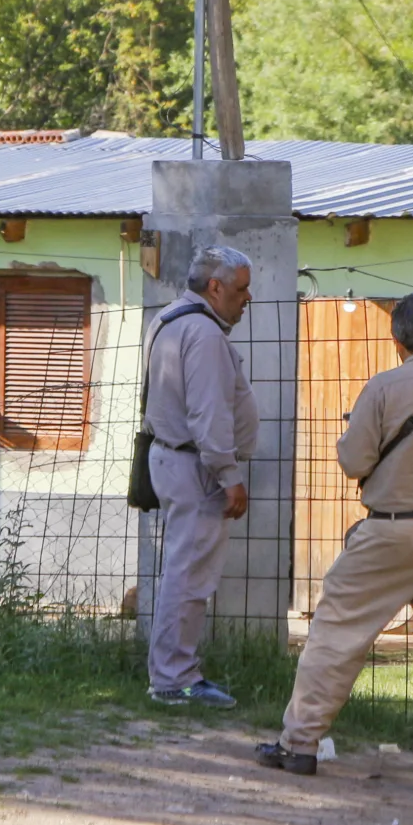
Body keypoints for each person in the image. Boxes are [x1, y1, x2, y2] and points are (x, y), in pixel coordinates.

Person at [259, 293, 413, 800]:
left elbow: (354, 462)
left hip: (391, 529)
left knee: (336, 634)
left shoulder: (382, 387)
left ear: (396, 340)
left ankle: (301, 742)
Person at [142, 244, 258, 708]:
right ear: (216, 287)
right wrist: (229, 474)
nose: (247, 298)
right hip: (197, 467)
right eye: (242, 289)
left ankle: (172, 673)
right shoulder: (205, 334)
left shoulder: (169, 318)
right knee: (189, 577)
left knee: (182, 572)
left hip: (177, 460)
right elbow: (209, 415)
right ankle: (175, 679)